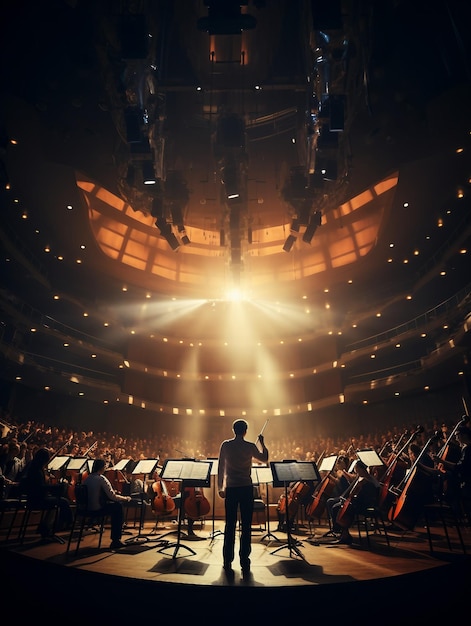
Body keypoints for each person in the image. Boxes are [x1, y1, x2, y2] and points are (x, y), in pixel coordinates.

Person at [217, 419, 268, 576]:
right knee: (246, 526)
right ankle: (244, 560)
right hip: (246, 488)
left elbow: (221, 467)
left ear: (233, 430)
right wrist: (262, 443)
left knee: (230, 525)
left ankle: (227, 560)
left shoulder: (226, 445)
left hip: (231, 488)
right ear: (245, 431)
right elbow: (264, 458)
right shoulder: (250, 446)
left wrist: (220, 487)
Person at [19, 447, 73, 538]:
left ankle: (46, 528)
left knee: (58, 502)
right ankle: (67, 524)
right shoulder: (37, 471)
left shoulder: (33, 466)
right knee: (63, 502)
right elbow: (41, 487)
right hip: (37, 499)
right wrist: (57, 487)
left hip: (33, 498)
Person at [325, 459, 380, 545]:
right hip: (359, 502)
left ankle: (342, 533)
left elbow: (363, 495)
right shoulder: (362, 478)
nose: (356, 471)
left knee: (336, 507)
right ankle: (341, 531)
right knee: (333, 503)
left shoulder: (367, 480)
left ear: (360, 469)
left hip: (363, 505)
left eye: (356, 469)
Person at [82, 457, 132, 550]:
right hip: (97, 510)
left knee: (115, 506)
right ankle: (116, 540)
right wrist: (125, 498)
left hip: (86, 510)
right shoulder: (101, 478)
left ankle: (116, 538)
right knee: (118, 506)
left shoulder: (87, 479)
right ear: (102, 467)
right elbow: (112, 496)